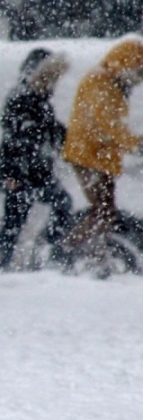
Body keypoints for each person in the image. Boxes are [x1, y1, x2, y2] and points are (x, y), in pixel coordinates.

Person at [60, 39, 143, 275]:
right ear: (126, 64)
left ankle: (95, 255)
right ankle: (68, 249)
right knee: (103, 211)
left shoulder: (112, 82)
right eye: (138, 73)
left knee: (105, 211)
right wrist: (136, 145)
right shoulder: (100, 81)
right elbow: (110, 125)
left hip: (99, 156)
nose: (139, 80)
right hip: (89, 156)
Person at [0, 49, 72, 269]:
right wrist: (12, 175)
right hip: (20, 173)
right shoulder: (22, 97)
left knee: (19, 220)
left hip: (35, 172)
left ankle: (44, 249)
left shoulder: (39, 99)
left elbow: (50, 131)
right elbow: (17, 138)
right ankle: (5, 262)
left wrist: (70, 139)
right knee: (14, 222)